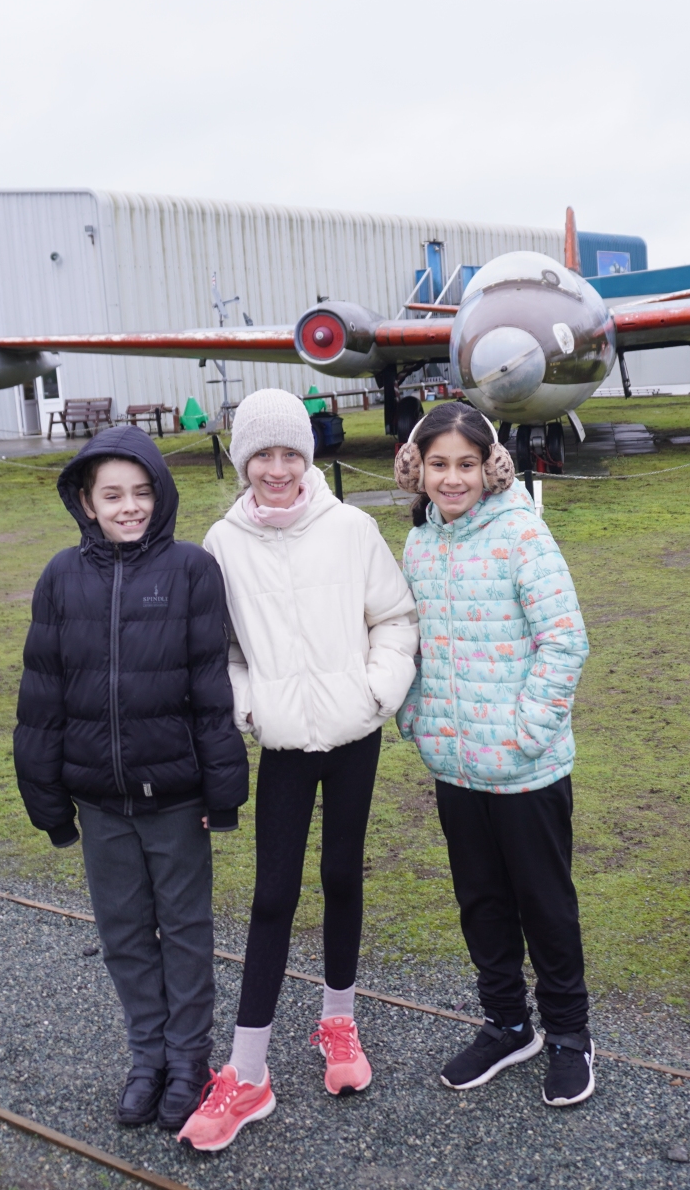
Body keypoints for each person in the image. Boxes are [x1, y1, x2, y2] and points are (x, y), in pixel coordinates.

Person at [179, 387, 418, 1153]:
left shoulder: (350, 528)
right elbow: (219, 652)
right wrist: (253, 707)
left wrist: (375, 691)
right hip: (282, 744)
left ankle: (337, 1021)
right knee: (273, 894)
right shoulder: (222, 543)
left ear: (308, 457)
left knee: (342, 874)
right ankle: (248, 1072)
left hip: (353, 733)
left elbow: (394, 618)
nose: (277, 469)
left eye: (290, 453)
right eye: (263, 455)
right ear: (242, 460)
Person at [12, 425, 249, 1133]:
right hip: (99, 800)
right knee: (122, 934)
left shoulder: (191, 570)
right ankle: (147, 1058)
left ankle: (188, 1059)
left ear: (160, 494)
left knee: (185, 931)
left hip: (175, 798)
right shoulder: (61, 577)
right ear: (86, 501)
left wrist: (222, 793)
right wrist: (48, 800)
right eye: (112, 495)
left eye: (142, 492)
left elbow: (210, 689)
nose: (130, 507)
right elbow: (41, 695)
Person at [393, 401, 596, 1106]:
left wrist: (525, 732)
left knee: (545, 904)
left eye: (466, 464)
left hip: (525, 769)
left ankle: (569, 1034)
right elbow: (411, 641)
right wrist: (417, 717)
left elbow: (564, 639)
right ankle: (507, 1023)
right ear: (418, 469)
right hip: (455, 765)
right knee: (480, 902)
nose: (452, 479)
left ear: (489, 467)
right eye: (438, 464)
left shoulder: (521, 534)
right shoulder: (420, 543)